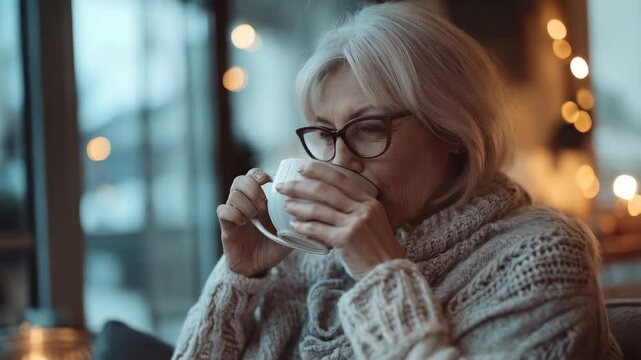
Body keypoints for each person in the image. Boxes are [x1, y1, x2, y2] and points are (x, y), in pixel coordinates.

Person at [172, 2, 621, 359]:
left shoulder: (542, 255)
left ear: (452, 134)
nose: (340, 162)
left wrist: (381, 272)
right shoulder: (305, 259)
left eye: (368, 128)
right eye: (326, 134)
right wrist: (239, 277)